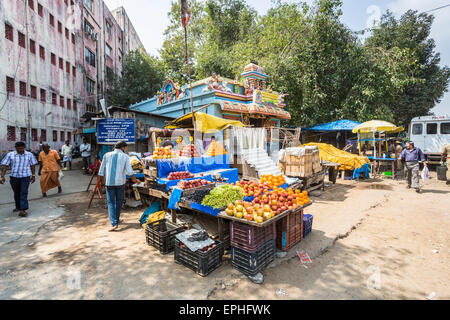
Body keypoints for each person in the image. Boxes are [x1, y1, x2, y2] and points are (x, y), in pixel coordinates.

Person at [98, 141, 137, 232]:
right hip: (120, 183)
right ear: (123, 148)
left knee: (111, 202)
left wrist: (101, 181)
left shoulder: (106, 155)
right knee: (119, 201)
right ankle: (116, 219)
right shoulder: (125, 156)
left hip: (109, 182)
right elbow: (129, 171)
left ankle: (114, 223)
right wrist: (135, 180)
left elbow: (101, 170)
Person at [0, 142, 38, 217]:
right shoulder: (10, 155)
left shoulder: (29, 155)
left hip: (25, 176)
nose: (20, 150)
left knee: (23, 192)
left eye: (21, 148)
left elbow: (32, 165)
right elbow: (4, 165)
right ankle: (18, 207)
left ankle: (23, 209)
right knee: (16, 192)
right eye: (18, 148)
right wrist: (2, 176)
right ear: (15, 147)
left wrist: (33, 175)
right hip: (14, 177)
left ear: (24, 147)